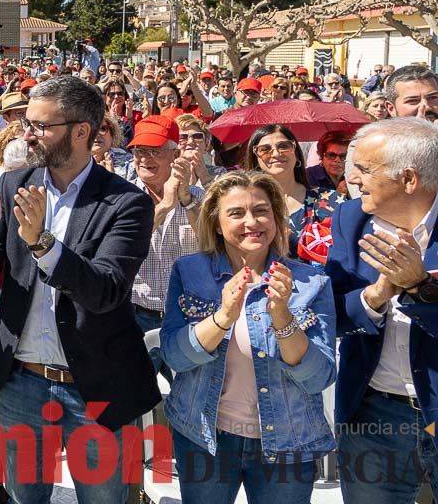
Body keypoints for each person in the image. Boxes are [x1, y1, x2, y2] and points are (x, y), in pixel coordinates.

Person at [0, 76, 159, 504]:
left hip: (95, 388)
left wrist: (43, 244)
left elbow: (106, 289)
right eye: (27, 123)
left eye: (40, 125)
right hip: (22, 383)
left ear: (81, 131)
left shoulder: (127, 203)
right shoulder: (16, 185)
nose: (27, 133)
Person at [162, 171, 336, 503]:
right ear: (216, 223)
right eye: (236, 213)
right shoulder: (189, 272)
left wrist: (282, 315)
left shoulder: (311, 282)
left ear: (276, 217)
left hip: (289, 443)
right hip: (204, 438)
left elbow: (319, 378)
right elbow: (174, 356)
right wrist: (223, 316)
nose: (251, 221)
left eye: (261, 210)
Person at [326, 118, 438, 503]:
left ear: (409, 179)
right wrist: (373, 296)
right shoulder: (350, 219)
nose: (353, 178)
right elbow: (332, 314)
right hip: (374, 413)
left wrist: (419, 287)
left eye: (365, 169)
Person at [123, 115, 204, 340]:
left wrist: (185, 199)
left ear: (176, 155)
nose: (145, 159)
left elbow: (211, 244)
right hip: (136, 314)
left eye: (155, 151)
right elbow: (125, 244)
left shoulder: (198, 198)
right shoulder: (123, 197)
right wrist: (165, 205)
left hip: (189, 315)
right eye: (139, 151)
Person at [244, 125, 344, 257]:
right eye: (265, 149)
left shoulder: (330, 199)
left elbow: (343, 249)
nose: (276, 153)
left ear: (296, 153)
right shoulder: (245, 204)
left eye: (284, 146)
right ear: (256, 158)